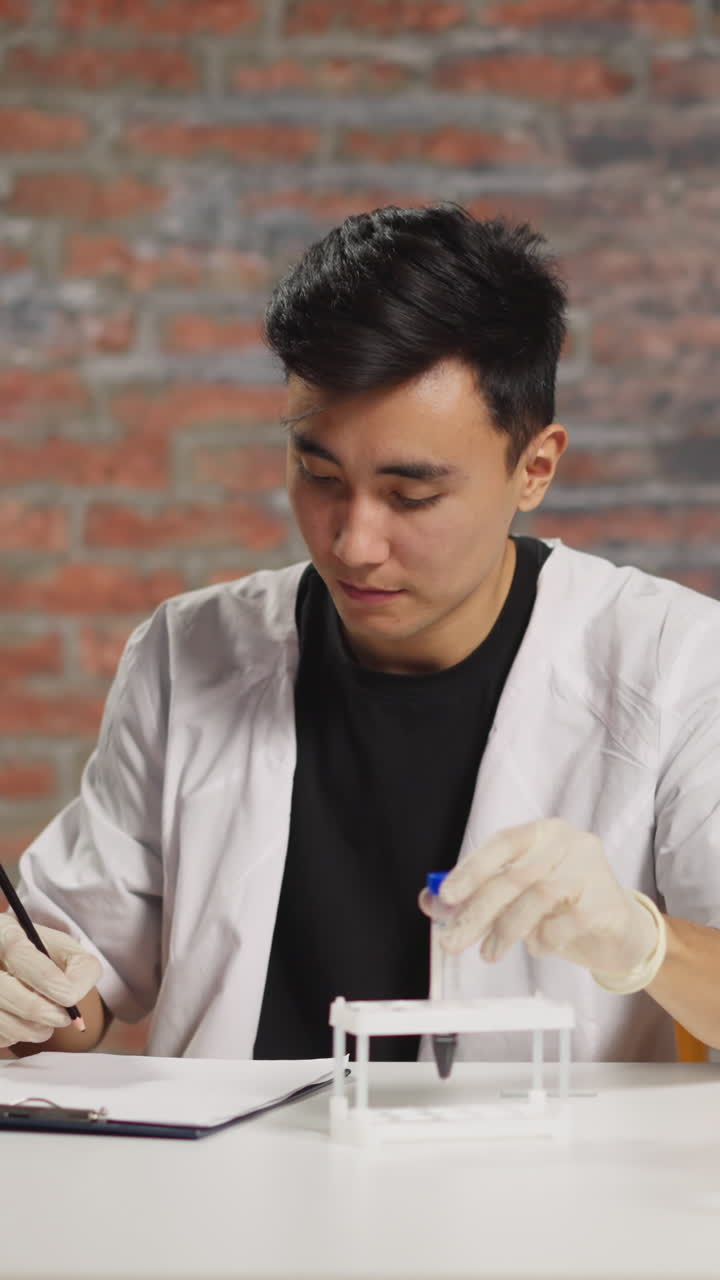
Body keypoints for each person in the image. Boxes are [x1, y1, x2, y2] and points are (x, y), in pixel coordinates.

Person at [3, 204, 720, 1065]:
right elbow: (73, 991)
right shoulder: (188, 651)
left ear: (534, 467)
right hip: (216, 1186)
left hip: (527, 1191)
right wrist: (20, 991)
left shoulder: (674, 661)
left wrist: (643, 942)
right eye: (318, 475)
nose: (352, 542)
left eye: (411, 495)